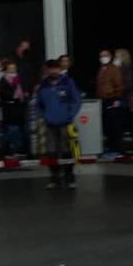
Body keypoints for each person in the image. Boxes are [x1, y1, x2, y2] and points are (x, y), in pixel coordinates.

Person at [36, 59, 81, 189]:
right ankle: (55, 178)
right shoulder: (43, 85)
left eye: (56, 68)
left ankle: (69, 177)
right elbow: (39, 104)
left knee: (67, 150)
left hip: (65, 122)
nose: (54, 71)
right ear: (47, 70)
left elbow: (76, 100)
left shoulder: (68, 82)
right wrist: (44, 116)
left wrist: (70, 114)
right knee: (51, 151)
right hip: (50, 123)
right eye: (51, 68)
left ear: (60, 69)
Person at [96, 49, 125, 158]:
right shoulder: (102, 69)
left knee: (114, 126)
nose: (103, 57)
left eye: (105, 55)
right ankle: (111, 147)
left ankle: (117, 149)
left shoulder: (113, 69)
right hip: (103, 100)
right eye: (101, 56)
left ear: (110, 56)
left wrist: (117, 99)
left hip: (112, 99)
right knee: (108, 126)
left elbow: (119, 85)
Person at [0, 61, 27, 157]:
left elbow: (23, 89)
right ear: (6, 70)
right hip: (9, 109)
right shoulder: (3, 80)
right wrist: (14, 95)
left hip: (19, 108)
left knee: (19, 130)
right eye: (10, 68)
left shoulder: (19, 79)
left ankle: (19, 150)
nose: (12, 70)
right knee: (11, 130)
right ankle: (5, 150)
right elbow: (4, 94)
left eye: (14, 68)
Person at [116, 48, 133, 152]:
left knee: (126, 124)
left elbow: (128, 85)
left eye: (117, 55)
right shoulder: (121, 68)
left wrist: (118, 90)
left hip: (126, 100)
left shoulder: (125, 68)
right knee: (126, 124)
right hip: (124, 99)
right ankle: (131, 145)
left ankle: (132, 145)